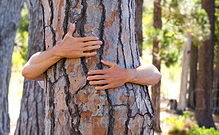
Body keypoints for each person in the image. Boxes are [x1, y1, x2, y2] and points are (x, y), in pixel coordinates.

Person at [22, 24, 161, 88]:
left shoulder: (120, 55)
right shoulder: (53, 60)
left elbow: (155, 75)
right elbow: (27, 71)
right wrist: (60, 51)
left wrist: (127, 75)